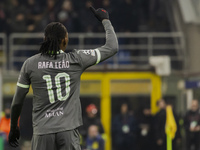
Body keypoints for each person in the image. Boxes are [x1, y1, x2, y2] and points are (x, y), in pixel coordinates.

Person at [8, 6, 118, 150]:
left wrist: (14, 126)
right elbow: (112, 47)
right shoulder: (76, 59)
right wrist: (105, 20)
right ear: (65, 40)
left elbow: (17, 102)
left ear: (44, 39)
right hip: (68, 131)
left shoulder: (30, 64)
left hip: (42, 133)